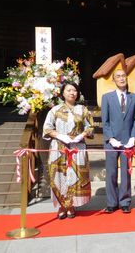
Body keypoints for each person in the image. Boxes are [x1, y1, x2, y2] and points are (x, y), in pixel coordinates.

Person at [43, 81, 94, 219]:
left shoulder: (83, 109)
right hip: (59, 147)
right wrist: (60, 136)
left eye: (74, 90)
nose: (72, 93)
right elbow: (47, 128)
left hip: (77, 147)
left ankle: (71, 204)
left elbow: (90, 127)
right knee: (59, 175)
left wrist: (81, 135)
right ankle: (61, 205)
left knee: (75, 175)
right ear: (63, 93)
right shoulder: (55, 110)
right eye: (69, 90)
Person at [101, 69, 135, 214]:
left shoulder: (134, 98)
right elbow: (104, 121)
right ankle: (111, 202)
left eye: (123, 76)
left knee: (126, 173)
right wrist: (110, 138)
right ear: (114, 80)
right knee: (111, 172)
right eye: (118, 76)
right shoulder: (107, 97)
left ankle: (124, 201)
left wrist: (133, 137)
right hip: (111, 141)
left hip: (127, 141)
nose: (121, 78)